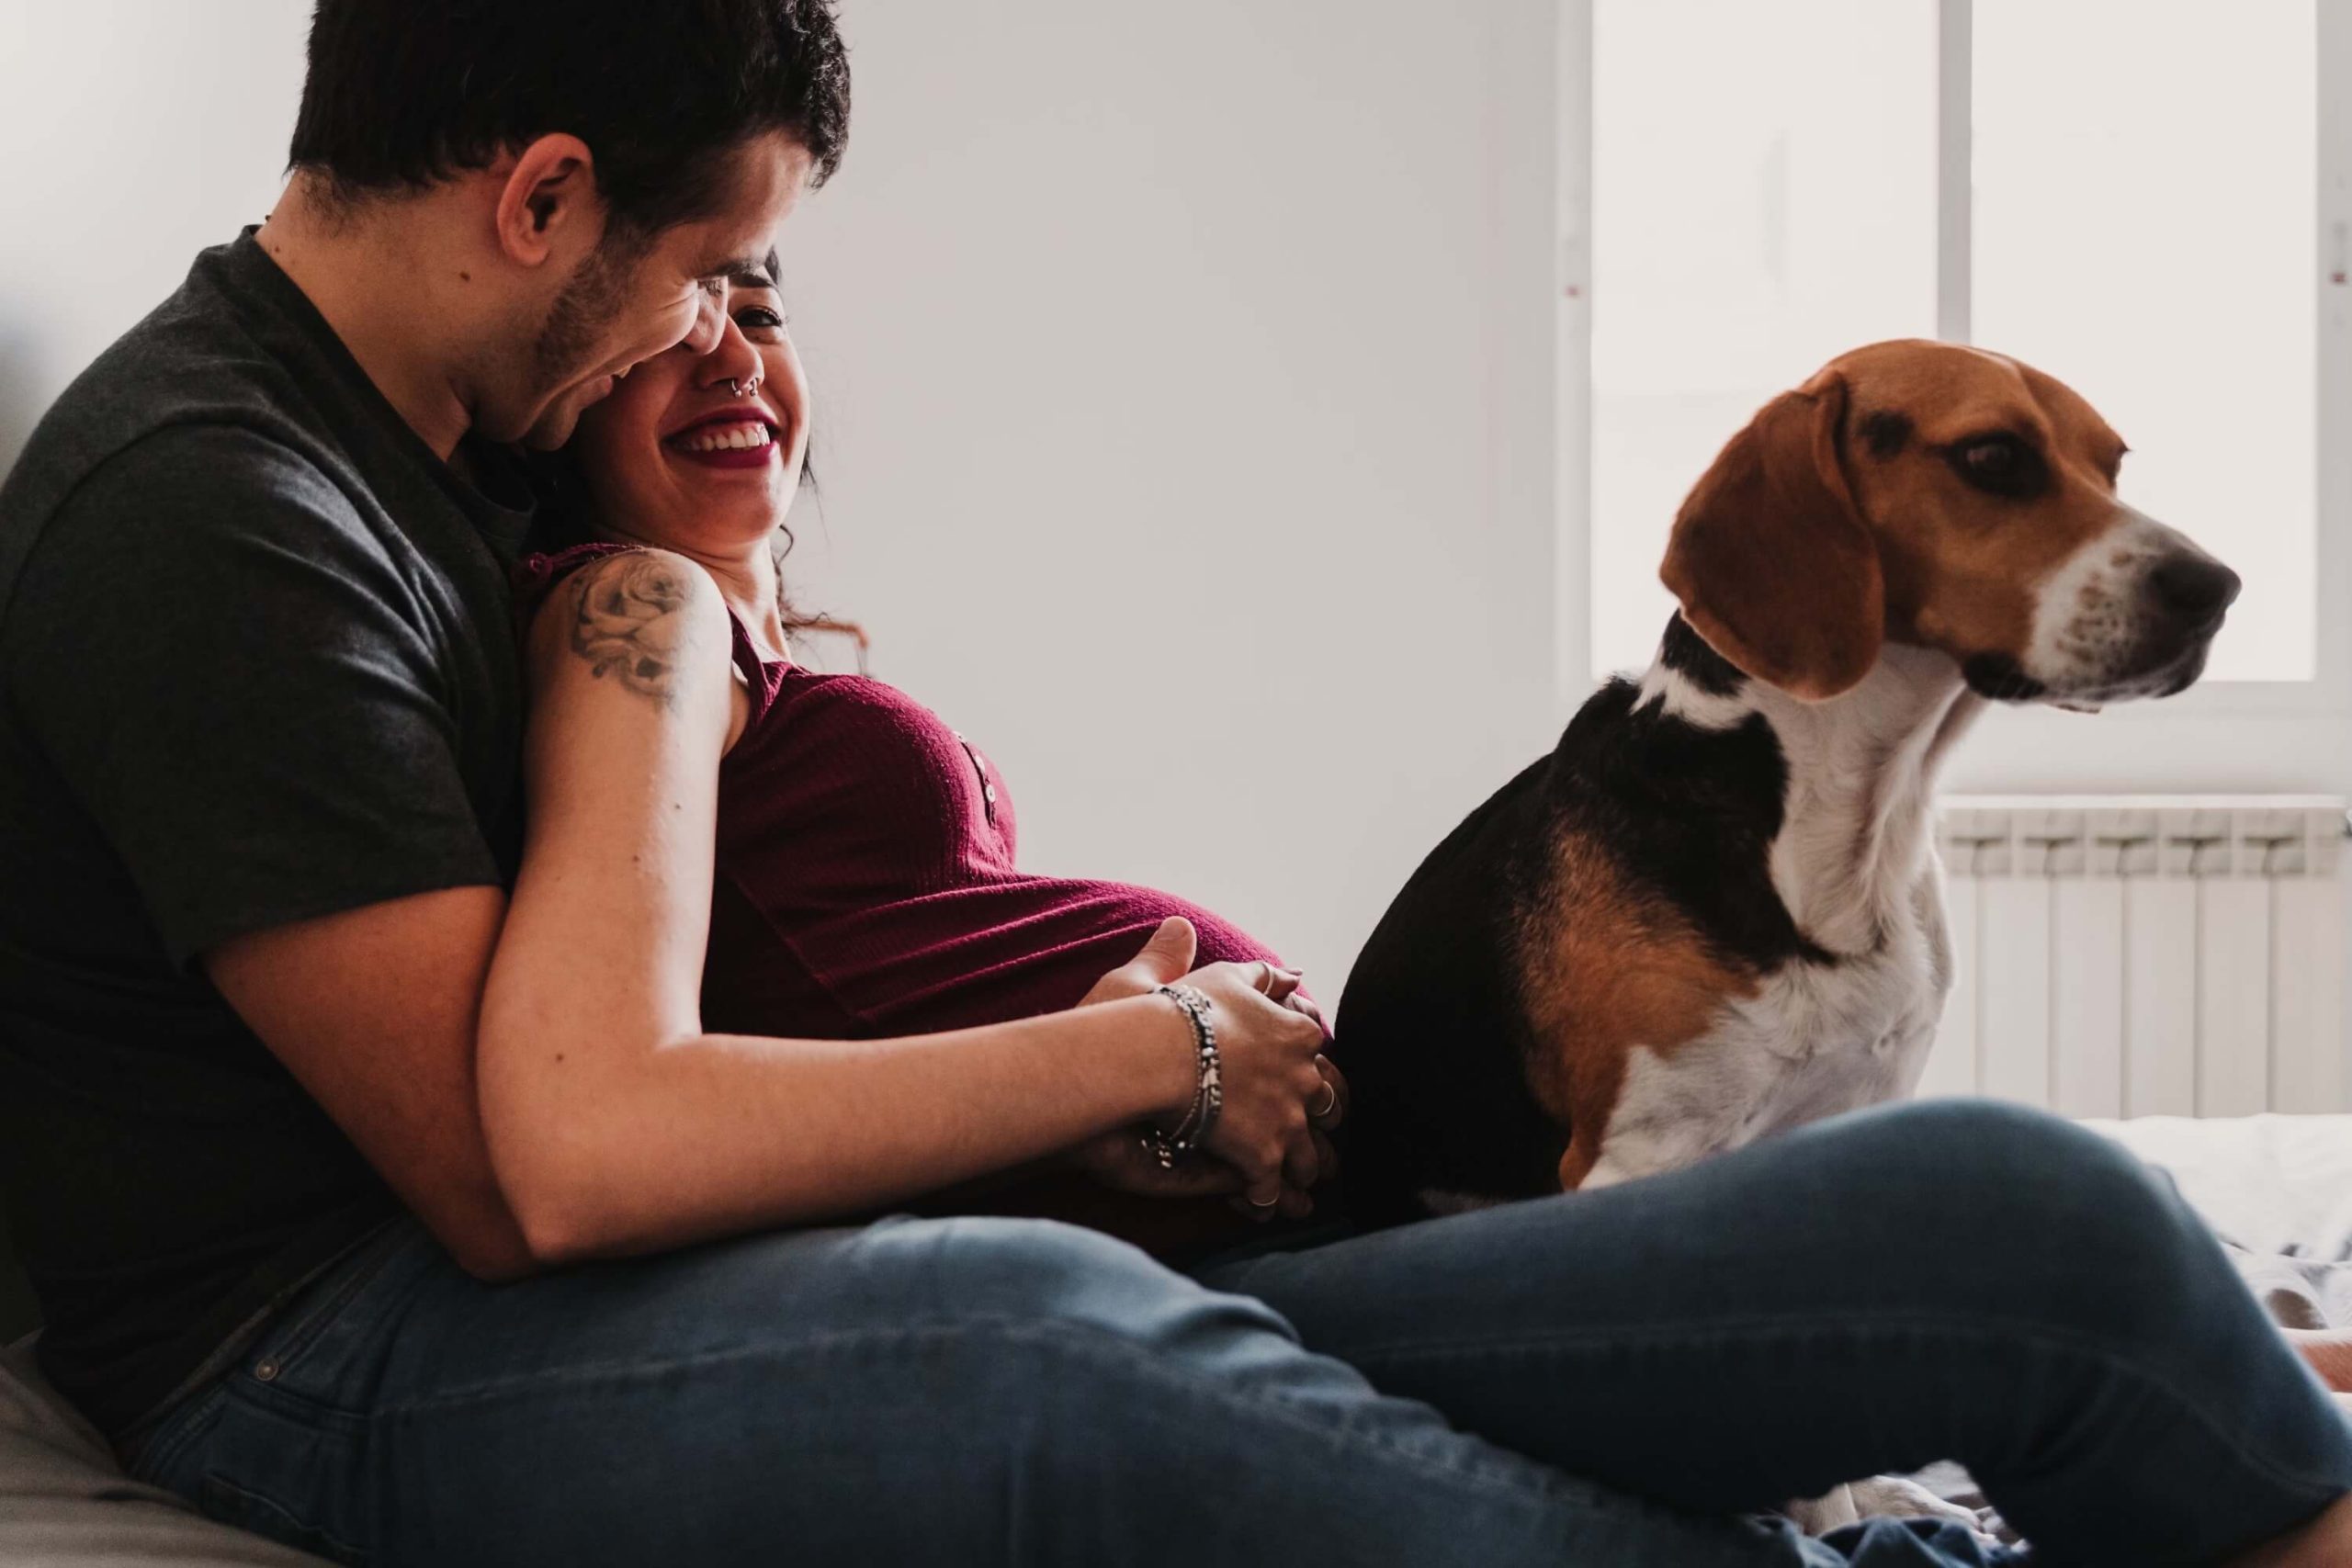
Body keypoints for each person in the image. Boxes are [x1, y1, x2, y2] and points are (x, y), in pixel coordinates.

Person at [2, 6, 2349, 1566]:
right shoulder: (222, 506)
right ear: (536, 202)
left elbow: (710, 986)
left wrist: (1112, 1092)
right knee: (1035, 1333)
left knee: (2014, 1218)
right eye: (710, 273)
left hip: (968, 1205)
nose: (719, 337)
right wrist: (1157, 1045)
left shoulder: (460, 454)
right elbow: (549, 1163)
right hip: (320, 1346)